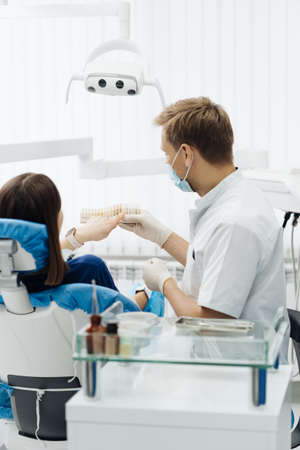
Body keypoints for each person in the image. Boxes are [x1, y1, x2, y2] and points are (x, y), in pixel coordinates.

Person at [120, 97, 288, 348]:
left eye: (168, 157)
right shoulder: (234, 198)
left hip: (239, 369)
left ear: (186, 154)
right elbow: (215, 265)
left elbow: (208, 322)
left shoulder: (234, 222)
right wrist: (161, 236)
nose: (168, 165)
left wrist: (165, 284)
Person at [0, 172, 149, 310]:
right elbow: (125, 314)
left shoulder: (8, 287)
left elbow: (37, 258)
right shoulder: (89, 270)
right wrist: (145, 294)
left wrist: (75, 238)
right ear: (52, 222)